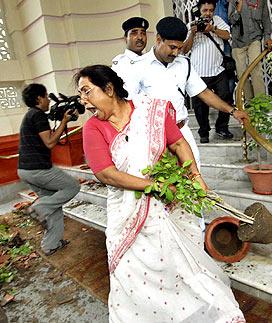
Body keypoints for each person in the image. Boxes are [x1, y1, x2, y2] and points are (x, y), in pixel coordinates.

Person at [75, 64, 245, 322]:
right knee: (132, 273)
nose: (84, 101)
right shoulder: (93, 128)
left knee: (179, 265)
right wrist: (154, 187)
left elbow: (178, 143)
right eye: (80, 95)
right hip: (126, 211)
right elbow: (105, 173)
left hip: (168, 207)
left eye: (87, 92)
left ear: (109, 89)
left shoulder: (150, 111)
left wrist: (196, 178)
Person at [121, 16, 249, 167]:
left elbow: (204, 92)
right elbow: (126, 105)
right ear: (158, 39)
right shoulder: (137, 67)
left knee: (194, 175)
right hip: (152, 136)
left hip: (181, 132)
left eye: (179, 48)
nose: (176, 53)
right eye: (172, 47)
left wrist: (232, 111)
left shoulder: (184, 63)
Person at [17, 84, 80, 256]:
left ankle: (50, 245)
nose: (47, 100)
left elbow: (46, 138)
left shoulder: (31, 116)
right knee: (73, 186)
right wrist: (65, 122)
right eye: (45, 96)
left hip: (25, 170)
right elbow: (50, 143)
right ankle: (38, 208)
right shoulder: (37, 115)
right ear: (38, 98)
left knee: (54, 207)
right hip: (38, 169)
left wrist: (61, 120)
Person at [183, 0, 234, 143]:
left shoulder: (217, 21)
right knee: (200, 106)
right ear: (199, 10)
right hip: (198, 72)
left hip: (218, 70)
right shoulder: (191, 26)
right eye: (205, 10)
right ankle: (204, 131)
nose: (208, 13)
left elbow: (227, 35)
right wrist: (192, 34)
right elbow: (185, 50)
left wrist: (212, 28)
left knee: (225, 97)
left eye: (211, 10)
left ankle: (222, 127)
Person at [228, 0, 272, 100]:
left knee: (256, 68)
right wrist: (238, 10)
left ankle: (261, 101)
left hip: (254, 38)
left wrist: (267, 37)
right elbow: (231, 20)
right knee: (242, 73)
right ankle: (249, 102)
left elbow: (266, 19)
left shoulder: (261, 1)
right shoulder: (234, 1)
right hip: (238, 42)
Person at [112, 17, 149, 96]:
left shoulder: (150, 59)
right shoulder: (120, 63)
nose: (140, 37)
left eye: (143, 33)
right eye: (134, 33)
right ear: (125, 38)